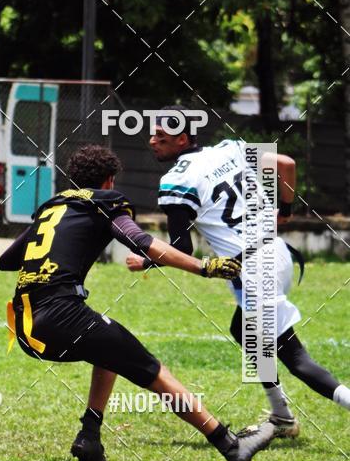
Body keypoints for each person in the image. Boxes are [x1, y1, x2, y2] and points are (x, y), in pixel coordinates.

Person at [0, 143, 275, 461]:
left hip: (25, 326)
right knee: (155, 372)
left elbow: (6, 261)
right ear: (109, 180)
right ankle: (230, 446)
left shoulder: (53, 207)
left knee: (109, 346)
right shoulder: (104, 203)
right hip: (62, 316)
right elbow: (141, 242)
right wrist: (204, 267)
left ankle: (90, 436)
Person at [126, 114, 350, 437]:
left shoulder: (177, 180)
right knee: (242, 328)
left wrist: (146, 261)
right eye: (153, 134)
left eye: (161, 136)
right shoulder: (230, 149)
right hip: (278, 253)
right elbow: (286, 164)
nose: (152, 141)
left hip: (254, 271)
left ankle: (293, 415)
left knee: (296, 357)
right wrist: (284, 211)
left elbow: (181, 248)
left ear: (183, 139)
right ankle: (282, 416)